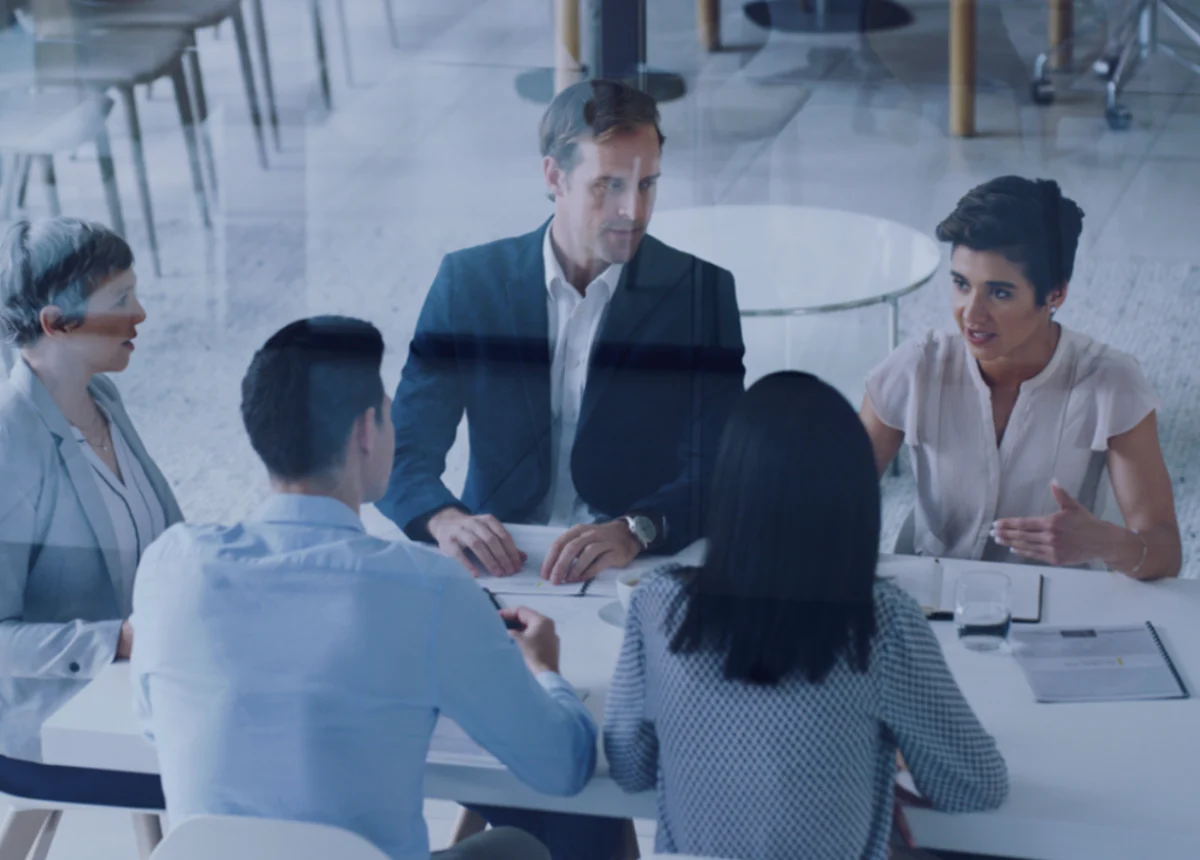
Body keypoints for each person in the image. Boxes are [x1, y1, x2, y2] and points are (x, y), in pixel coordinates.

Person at [130, 317, 596, 860]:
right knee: (517, 849)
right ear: (366, 432)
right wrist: (544, 670)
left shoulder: (171, 566)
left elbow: (156, 729)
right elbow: (564, 767)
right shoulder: (427, 588)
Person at [604, 371, 1009, 860]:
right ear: (857, 501)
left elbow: (630, 768)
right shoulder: (883, 620)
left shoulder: (657, 604)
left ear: (729, 490)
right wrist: (882, 752)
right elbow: (976, 785)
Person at [379, 78, 745, 587]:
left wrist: (636, 529)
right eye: (609, 185)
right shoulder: (469, 284)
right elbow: (402, 449)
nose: (634, 211)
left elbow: (721, 470)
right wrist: (445, 519)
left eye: (646, 185)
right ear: (555, 176)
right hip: (503, 556)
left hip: (634, 563)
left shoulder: (701, 295)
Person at [860, 176, 1181, 579]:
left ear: (1055, 294)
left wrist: (1103, 542)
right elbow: (832, 503)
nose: (971, 315)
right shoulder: (915, 369)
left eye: (999, 293)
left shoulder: (1112, 384)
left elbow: (1166, 552)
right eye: (961, 285)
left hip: (1063, 610)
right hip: (932, 603)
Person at [0, 218, 176, 812]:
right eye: (122, 300)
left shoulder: (102, 397)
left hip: (139, 696)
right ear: (56, 323)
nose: (142, 315)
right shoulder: (7, 443)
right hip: (52, 731)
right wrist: (119, 641)